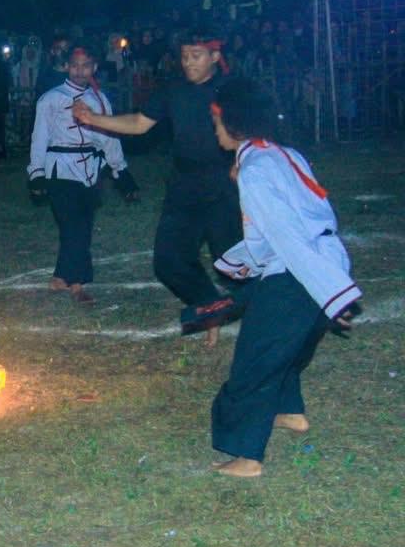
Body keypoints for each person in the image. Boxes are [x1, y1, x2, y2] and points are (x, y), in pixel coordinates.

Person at [208, 78, 361, 477]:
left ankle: (246, 457)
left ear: (232, 122)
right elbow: (303, 216)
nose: (215, 129)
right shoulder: (283, 154)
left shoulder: (254, 170)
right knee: (286, 345)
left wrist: (333, 294)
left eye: (217, 121)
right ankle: (289, 411)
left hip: (300, 272)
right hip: (324, 259)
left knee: (255, 360)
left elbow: (286, 237)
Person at [74, 30, 237, 344]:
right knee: (168, 260)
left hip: (224, 184)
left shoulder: (231, 90)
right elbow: (139, 123)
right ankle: (209, 305)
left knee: (235, 261)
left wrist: (244, 163)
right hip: (184, 185)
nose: (188, 63)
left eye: (196, 56)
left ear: (215, 57)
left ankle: (278, 309)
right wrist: (93, 119)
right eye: (185, 56)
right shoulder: (174, 90)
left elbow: (258, 130)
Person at [29, 45, 139, 303]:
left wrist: (120, 170)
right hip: (59, 169)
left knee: (83, 225)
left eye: (86, 66)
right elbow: (39, 137)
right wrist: (36, 172)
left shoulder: (99, 100)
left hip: (90, 170)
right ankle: (78, 282)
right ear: (67, 66)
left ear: (94, 67)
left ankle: (60, 276)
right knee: (73, 224)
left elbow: (108, 136)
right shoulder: (51, 99)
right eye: (75, 65)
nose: (80, 71)